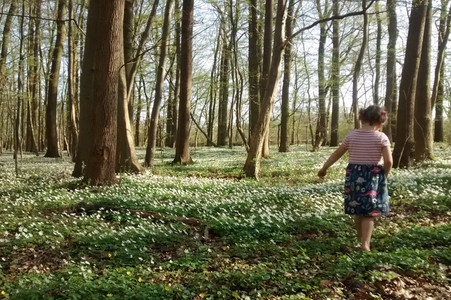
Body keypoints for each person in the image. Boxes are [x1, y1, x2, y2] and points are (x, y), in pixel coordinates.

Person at [317, 105, 393, 251]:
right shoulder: (381, 137)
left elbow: (337, 153)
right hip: (373, 176)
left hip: (354, 175)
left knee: (357, 209)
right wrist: (385, 175)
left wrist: (324, 168)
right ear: (380, 122)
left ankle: (360, 240)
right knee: (369, 212)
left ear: (362, 118)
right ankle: (365, 244)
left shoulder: (351, 135)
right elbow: (389, 161)